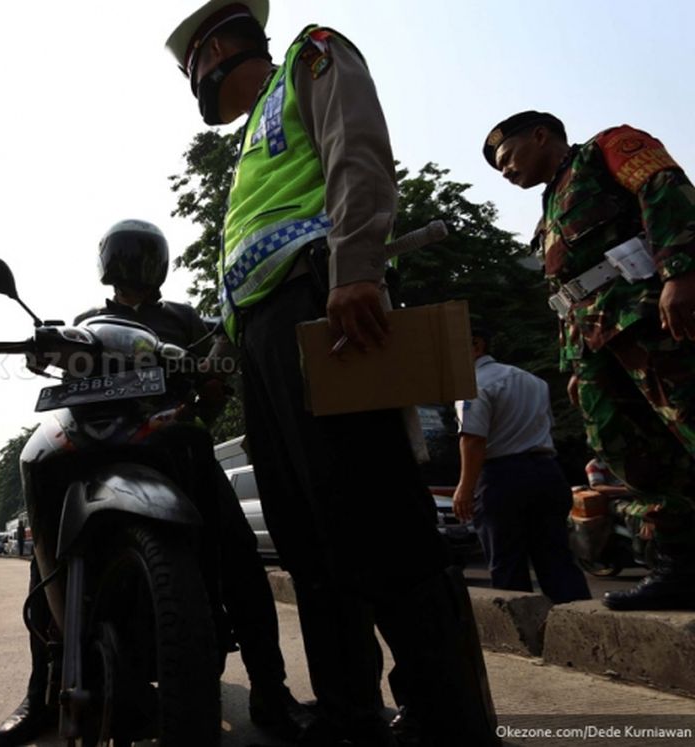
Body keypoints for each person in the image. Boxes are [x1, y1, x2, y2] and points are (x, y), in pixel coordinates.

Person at [163, 3, 499, 745]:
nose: (192, 77)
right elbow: (247, 266)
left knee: (377, 518)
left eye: (190, 60)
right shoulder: (249, 138)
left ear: (216, 47)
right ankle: (349, 714)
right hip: (265, 335)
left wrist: (357, 270)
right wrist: (218, 363)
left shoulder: (311, 59)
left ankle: (446, 715)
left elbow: (360, 154)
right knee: (306, 535)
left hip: (325, 311)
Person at [0, 219, 315, 746]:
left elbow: (219, 364)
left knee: (237, 551)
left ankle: (270, 688)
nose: (133, 270)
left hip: (170, 439)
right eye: (126, 260)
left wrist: (215, 370)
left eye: (141, 259)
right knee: (48, 555)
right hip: (99, 445)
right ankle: (43, 692)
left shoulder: (186, 319)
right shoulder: (89, 319)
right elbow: (65, 363)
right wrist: (42, 348)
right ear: (108, 267)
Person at [484, 111, 695, 611]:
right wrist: (575, 367)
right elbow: (566, 293)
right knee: (633, 454)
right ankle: (680, 566)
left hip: (651, 320)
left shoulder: (608, 149)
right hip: (597, 343)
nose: (506, 172)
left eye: (507, 158)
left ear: (540, 136)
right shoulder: (549, 210)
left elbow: (664, 188)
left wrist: (681, 272)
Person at [453, 325, 591, 603]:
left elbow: (473, 440)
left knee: (507, 566)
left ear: (476, 345)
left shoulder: (473, 385)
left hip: (503, 479)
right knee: (557, 559)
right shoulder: (532, 381)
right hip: (547, 473)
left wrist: (465, 489)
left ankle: (523, 640)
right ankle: (582, 627)